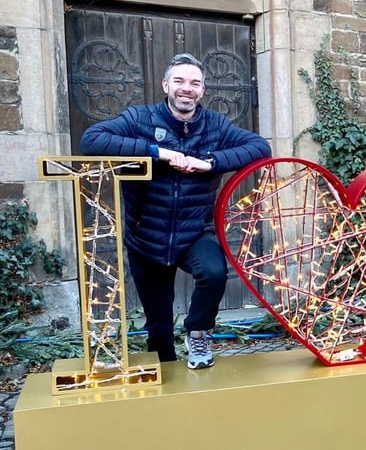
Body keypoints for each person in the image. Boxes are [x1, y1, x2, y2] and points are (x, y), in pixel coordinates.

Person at [80, 53, 271, 368]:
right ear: (165, 85)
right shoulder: (139, 119)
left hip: (194, 232)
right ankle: (166, 383)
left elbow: (261, 148)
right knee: (159, 332)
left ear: (202, 90)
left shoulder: (215, 125)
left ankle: (197, 334)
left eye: (195, 83)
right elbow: (91, 140)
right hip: (146, 239)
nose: (187, 88)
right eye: (179, 81)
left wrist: (210, 162)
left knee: (214, 273)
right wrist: (159, 153)